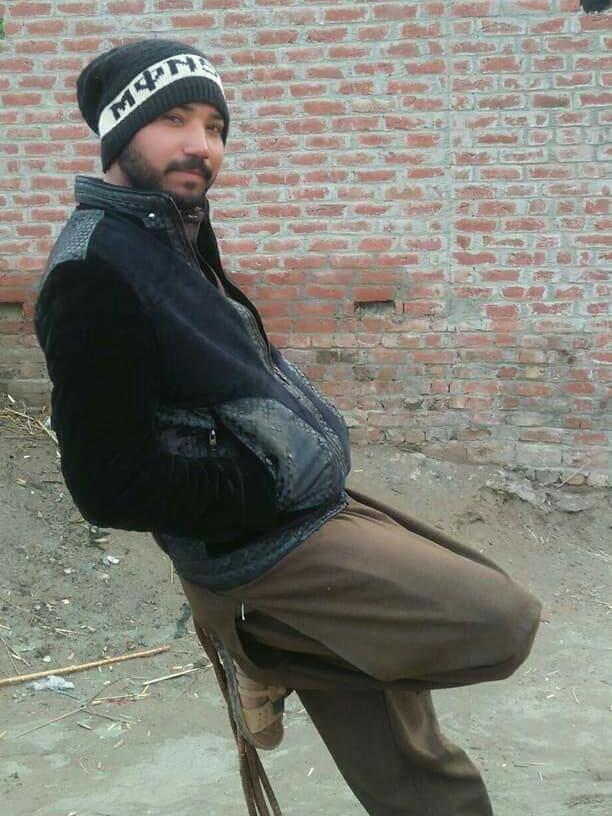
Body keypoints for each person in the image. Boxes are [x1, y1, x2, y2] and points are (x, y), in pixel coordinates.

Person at [34, 38, 542, 816]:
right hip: (263, 549)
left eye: (215, 127)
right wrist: (268, 479)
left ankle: (274, 654)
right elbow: (109, 484)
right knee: (501, 621)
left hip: (302, 510)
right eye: (175, 120)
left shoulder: (174, 229)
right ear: (121, 132)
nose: (201, 145)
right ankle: (264, 647)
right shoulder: (91, 271)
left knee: (413, 770)